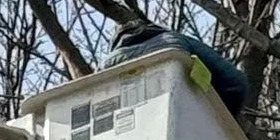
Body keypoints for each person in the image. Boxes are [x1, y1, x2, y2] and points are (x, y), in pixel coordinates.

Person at [105, 15, 250, 121]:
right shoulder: (175, 39)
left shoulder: (105, 65)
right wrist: (222, 118)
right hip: (186, 115)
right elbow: (235, 82)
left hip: (129, 126)